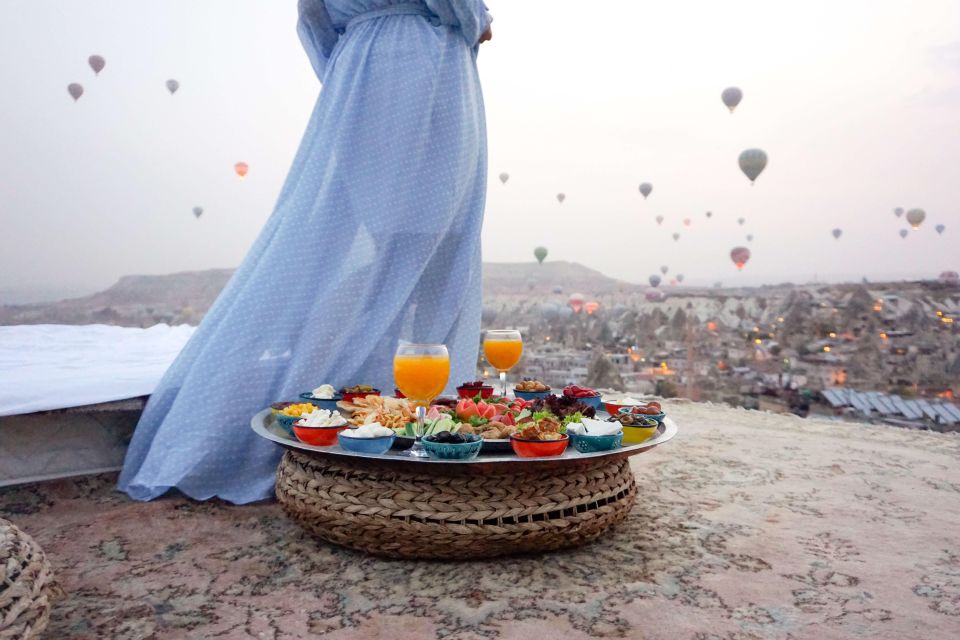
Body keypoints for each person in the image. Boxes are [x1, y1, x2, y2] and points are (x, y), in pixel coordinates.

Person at [119, 0, 492, 504]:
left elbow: (312, 21)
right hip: (427, 67)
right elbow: (462, 10)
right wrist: (477, 24)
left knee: (389, 245)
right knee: (438, 249)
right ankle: (417, 425)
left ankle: (373, 415)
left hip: (359, 75)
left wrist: (347, 72)